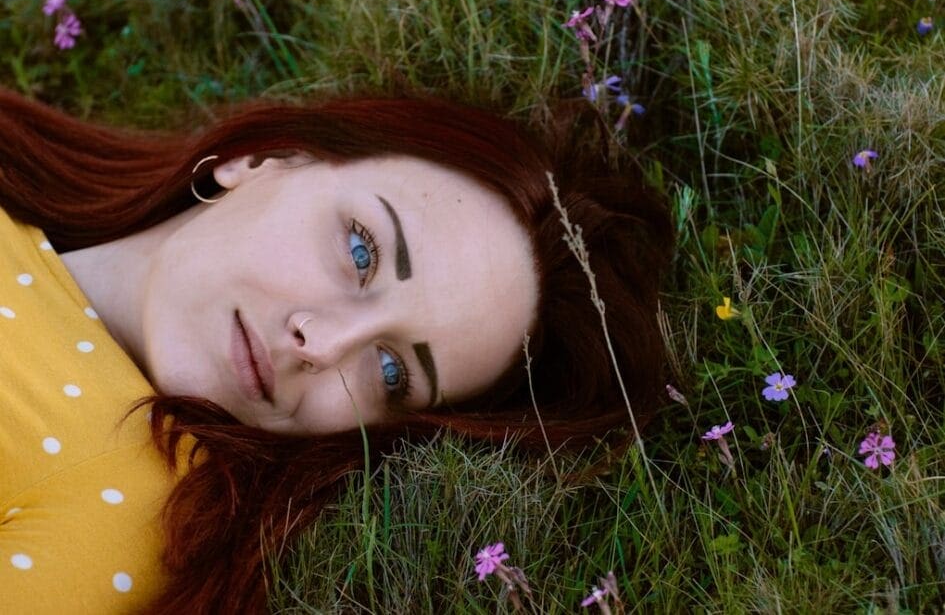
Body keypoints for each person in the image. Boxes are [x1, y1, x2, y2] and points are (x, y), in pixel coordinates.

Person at [0, 87, 673, 613]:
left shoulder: (121, 507)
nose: (321, 344)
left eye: (390, 371)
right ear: (263, 159)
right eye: (361, 251)